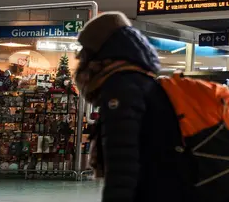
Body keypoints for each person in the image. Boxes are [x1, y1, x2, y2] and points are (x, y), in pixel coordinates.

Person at [74, 12, 189, 202]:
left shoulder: (121, 87)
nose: (80, 57)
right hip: (165, 186)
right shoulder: (143, 81)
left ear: (101, 51)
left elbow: (122, 161)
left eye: (86, 50)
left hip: (149, 190)